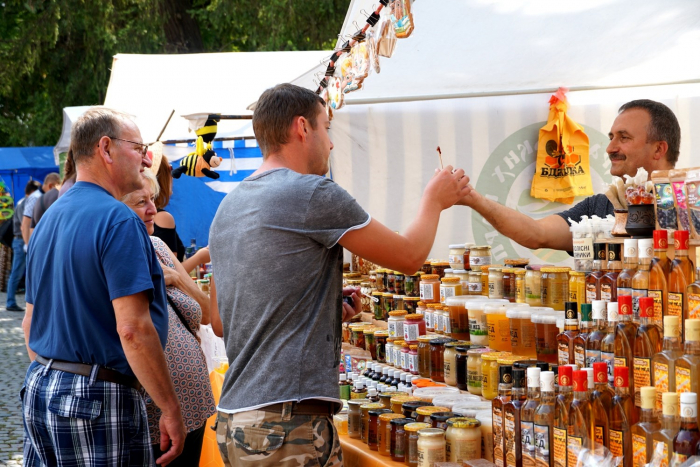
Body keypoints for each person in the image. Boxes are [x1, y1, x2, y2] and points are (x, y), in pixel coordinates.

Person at [209, 83, 470, 466]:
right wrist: (434, 199)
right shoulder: (312, 193)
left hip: (238, 420)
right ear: (302, 128)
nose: (331, 144)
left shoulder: (227, 209)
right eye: (325, 128)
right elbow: (410, 256)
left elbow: (219, 321)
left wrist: (319, 306)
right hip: (287, 425)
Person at [21, 107, 185, 466]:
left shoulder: (49, 220)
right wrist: (169, 407)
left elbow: (28, 325)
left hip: (41, 387)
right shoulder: (118, 219)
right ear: (106, 149)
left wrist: (60, 374)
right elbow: (133, 330)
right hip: (96, 398)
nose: (145, 158)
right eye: (138, 147)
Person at [460, 99, 681, 252]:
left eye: (623, 138)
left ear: (659, 149)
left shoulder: (689, 205)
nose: (610, 148)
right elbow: (537, 234)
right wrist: (473, 199)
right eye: (611, 137)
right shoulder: (600, 206)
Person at [122, 169, 216, 466]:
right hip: (156, 412)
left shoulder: (159, 247)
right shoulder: (117, 257)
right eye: (141, 203)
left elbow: (207, 314)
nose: (152, 209)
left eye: (152, 199)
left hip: (194, 403)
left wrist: (176, 278)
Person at [151, 148, 210, 272]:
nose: (173, 175)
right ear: (161, 177)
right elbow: (170, 273)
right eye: (170, 169)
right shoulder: (161, 217)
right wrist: (199, 257)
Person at [5, 181, 40, 312]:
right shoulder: (26, 203)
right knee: (17, 273)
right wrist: (28, 243)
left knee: (18, 272)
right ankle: (10, 301)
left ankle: (12, 301)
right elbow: (25, 224)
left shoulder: (20, 202)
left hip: (19, 240)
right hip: (21, 241)